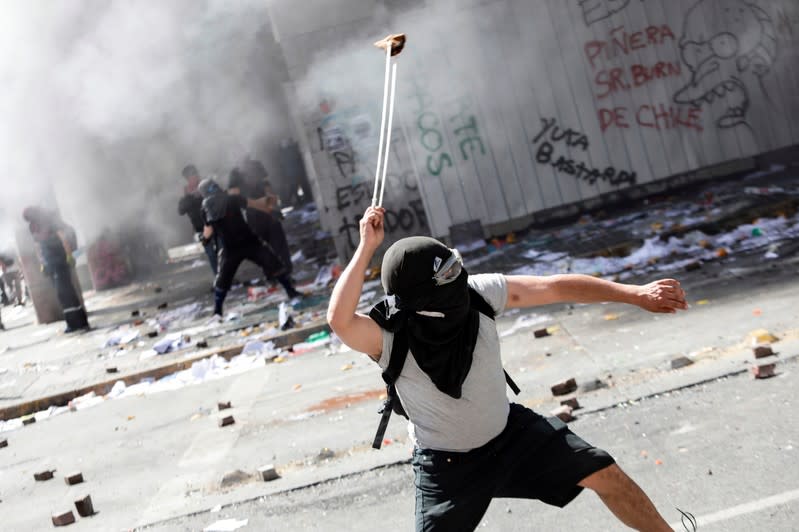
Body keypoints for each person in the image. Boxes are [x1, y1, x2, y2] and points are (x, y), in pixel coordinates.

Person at [327, 206, 690, 532]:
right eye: (448, 273)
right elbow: (339, 320)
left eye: (456, 265)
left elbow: (553, 287)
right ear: (420, 296)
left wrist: (635, 294)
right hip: (447, 466)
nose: (460, 277)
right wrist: (366, 247)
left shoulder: (477, 293)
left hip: (511, 435)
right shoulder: (389, 334)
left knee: (606, 474)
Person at [198, 177, 301, 318]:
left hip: (231, 248)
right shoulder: (232, 198)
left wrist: (204, 239)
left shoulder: (206, 207)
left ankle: (217, 311)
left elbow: (208, 230)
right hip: (248, 241)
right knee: (274, 264)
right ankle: (291, 292)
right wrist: (271, 209)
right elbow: (255, 204)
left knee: (222, 280)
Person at [22, 207, 89, 333]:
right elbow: (38, 246)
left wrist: (69, 255)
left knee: (64, 292)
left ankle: (76, 323)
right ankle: (78, 322)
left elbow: (63, 238)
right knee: (64, 293)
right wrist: (42, 263)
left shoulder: (48, 221)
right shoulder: (33, 226)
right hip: (50, 263)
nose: (30, 222)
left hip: (60, 261)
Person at [228, 163, 294, 279]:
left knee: (276, 247)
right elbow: (234, 197)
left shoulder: (254, 166)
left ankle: (283, 274)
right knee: (266, 249)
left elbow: (268, 189)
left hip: (266, 214)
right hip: (255, 215)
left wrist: (272, 206)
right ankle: (275, 275)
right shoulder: (235, 174)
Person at [178, 164, 218, 275]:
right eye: (191, 176)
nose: (194, 177)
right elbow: (181, 210)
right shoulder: (186, 193)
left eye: (195, 174)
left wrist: (203, 194)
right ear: (187, 179)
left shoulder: (207, 185)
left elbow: (219, 197)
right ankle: (221, 280)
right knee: (211, 254)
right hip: (201, 229)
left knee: (222, 253)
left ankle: (226, 278)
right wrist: (189, 197)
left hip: (216, 224)